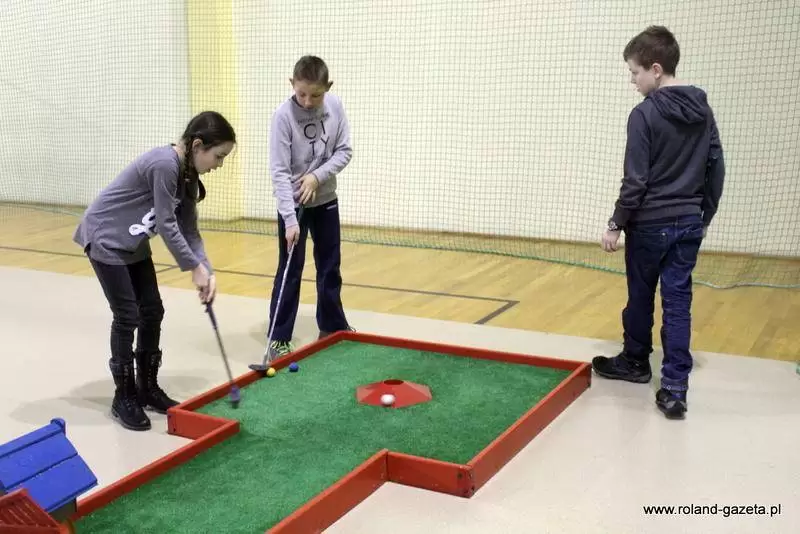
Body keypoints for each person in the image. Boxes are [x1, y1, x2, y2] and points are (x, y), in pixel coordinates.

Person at [592, 26, 725, 419]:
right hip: (688, 223)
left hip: (649, 226)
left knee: (640, 295)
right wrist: (704, 215)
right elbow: (716, 167)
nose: (632, 81)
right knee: (678, 302)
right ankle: (674, 388)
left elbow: (636, 180)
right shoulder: (703, 111)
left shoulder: (644, 114)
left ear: (655, 69)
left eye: (634, 72)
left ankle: (635, 361)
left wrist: (616, 223)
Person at [74, 111, 236, 431]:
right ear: (198, 146)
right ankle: (124, 396)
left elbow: (189, 230)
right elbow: (166, 223)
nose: (219, 164)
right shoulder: (165, 164)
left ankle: (147, 388)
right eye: (218, 156)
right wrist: (193, 268)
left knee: (152, 311)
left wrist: (207, 270)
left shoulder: (188, 176)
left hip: (133, 243)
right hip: (106, 238)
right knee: (127, 316)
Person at [266, 55, 354, 360]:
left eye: (315, 95)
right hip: (293, 206)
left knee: (330, 265)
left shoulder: (335, 107)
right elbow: (279, 172)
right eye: (301, 93)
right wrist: (290, 220)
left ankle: (333, 328)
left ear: (328, 87)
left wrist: (317, 177)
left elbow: (344, 151)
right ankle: (278, 338)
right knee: (290, 269)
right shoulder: (282, 117)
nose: (307, 101)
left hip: (326, 200)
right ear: (292, 84)